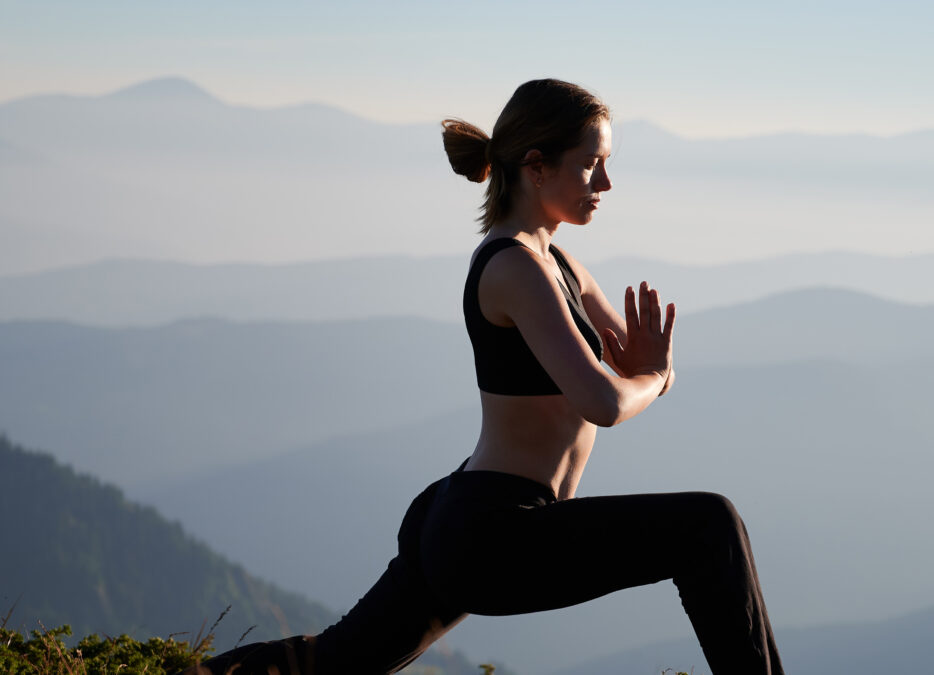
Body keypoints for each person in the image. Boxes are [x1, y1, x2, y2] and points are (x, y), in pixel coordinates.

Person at [179, 79, 784, 675]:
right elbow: (604, 399)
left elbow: (624, 361)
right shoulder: (514, 268)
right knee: (709, 525)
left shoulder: (558, 261)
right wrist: (656, 375)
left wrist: (649, 369)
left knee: (329, 663)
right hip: (495, 532)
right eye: (591, 165)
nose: (604, 183)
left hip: (472, 517)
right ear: (536, 166)